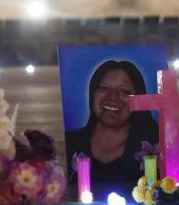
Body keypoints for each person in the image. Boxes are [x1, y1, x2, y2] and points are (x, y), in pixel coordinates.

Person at [64, 60, 159, 196]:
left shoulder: (155, 145)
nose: (112, 97)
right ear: (92, 94)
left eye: (124, 92)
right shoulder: (72, 142)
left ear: (138, 99)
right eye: (103, 88)